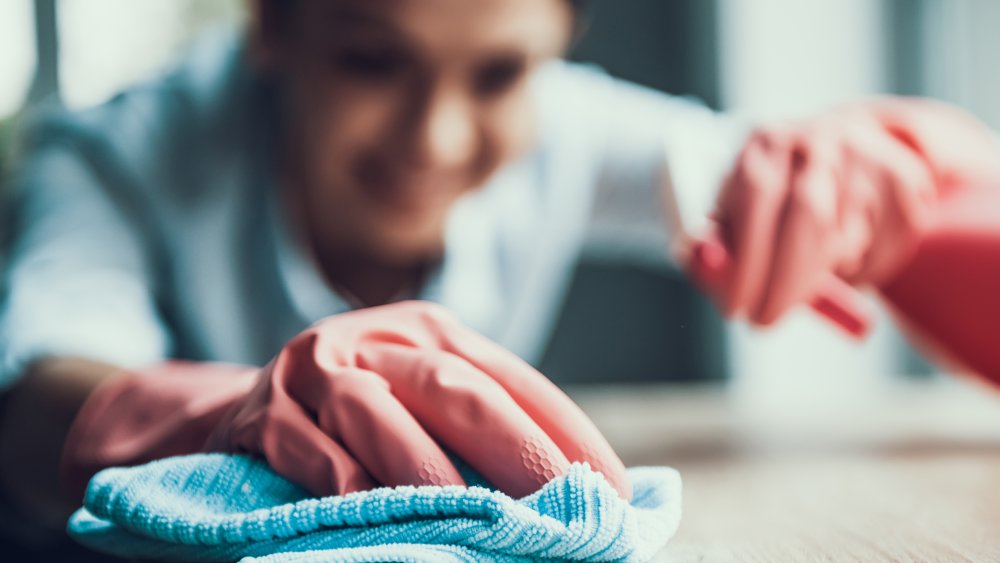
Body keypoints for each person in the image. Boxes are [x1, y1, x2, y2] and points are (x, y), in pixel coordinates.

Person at [0, 0, 998, 540]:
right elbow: (35, 397)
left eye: (500, 73)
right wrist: (235, 410)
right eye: (370, 59)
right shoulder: (118, 154)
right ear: (275, 26)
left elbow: (863, 205)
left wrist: (888, 167)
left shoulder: (562, 125)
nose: (436, 138)